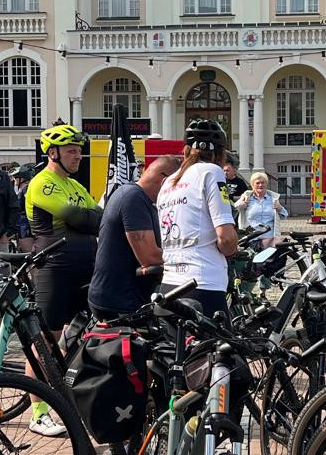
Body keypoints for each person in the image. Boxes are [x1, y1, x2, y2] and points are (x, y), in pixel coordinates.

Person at [25, 124, 101, 436]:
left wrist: (99, 219)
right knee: (44, 339)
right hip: (53, 268)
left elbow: (100, 218)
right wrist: (96, 219)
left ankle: (68, 391)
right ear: (52, 153)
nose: (78, 156)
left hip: (85, 269)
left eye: (79, 150)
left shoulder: (75, 185)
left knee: (87, 332)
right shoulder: (43, 183)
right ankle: (38, 413)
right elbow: (82, 218)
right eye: (71, 150)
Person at [157, 119, 239, 320]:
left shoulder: (168, 182)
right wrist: (230, 247)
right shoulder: (211, 171)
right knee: (228, 350)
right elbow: (226, 239)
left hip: (169, 285)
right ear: (219, 154)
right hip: (203, 285)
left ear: (185, 151)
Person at [91, 155, 180, 320]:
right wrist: (186, 257)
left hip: (125, 297)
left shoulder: (139, 198)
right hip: (121, 301)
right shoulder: (133, 198)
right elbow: (150, 256)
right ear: (164, 179)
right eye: (177, 185)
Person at [233, 171, 287, 248]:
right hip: (251, 238)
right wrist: (240, 205)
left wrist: (279, 208)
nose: (260, 185)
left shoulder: (273, 199)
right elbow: (233, 210)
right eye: (257, 183)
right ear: (252, 185)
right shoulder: (246, 198)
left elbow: (284, 216)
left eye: (263, 182)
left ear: (266, 184)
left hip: (270, 239)